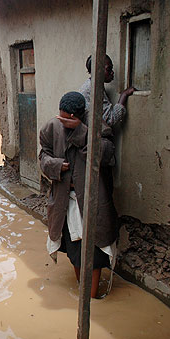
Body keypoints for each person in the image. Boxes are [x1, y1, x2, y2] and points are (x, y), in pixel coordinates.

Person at [39, 91, 117, 298]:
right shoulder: (52, 128)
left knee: (94, 250)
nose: (61, 120)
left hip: (93, 201)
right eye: (60, 115)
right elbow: (43, 155)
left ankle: (89, 298)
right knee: (74, 250)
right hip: (67, 201)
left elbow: (107, 154)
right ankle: (83, 290)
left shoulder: (96, 126)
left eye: (66, 118)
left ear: (76, 117)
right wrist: (55, 165)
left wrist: (82, 132)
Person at [79, 55, 135, 127]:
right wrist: (124, 95)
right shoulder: (92, 89)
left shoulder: (93, 85)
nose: (112, 72)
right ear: (98, 70)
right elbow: (110, 119)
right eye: (108, 69)